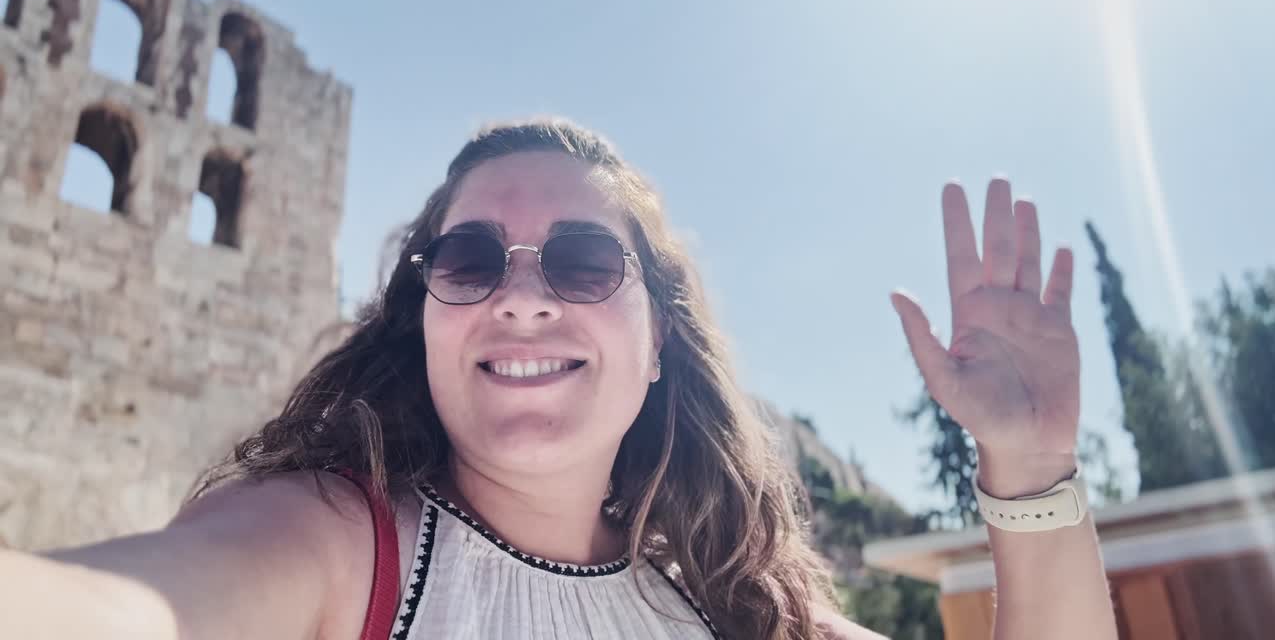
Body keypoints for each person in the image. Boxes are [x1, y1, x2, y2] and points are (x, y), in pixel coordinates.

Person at [1, 119, 1118, 639]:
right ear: (422, 319)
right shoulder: (339, 551)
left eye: (583, 263)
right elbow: (124, 609)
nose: (520, 297)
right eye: (469, 260)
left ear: (656, 344)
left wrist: (1024, 463)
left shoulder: (739, 616)